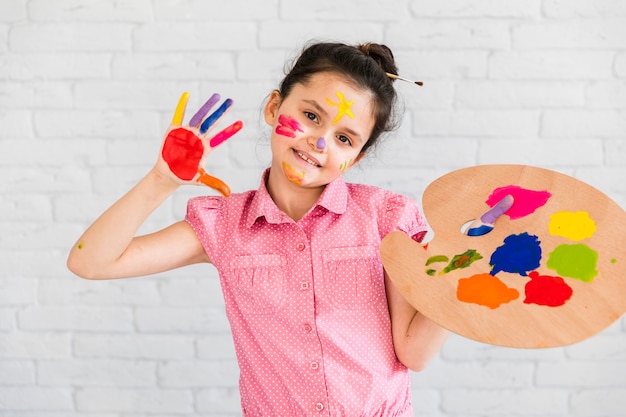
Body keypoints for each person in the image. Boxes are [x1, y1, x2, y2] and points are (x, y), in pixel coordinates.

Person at [67, 41, 449, 416]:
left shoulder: (386, 219)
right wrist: (161, 180)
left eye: (344, 138)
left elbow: (414, 353)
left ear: (358, 155)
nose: (318, 142)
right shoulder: (223, 226)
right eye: (312, 116)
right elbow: (91, 263)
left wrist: (454, 280)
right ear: (273, 107)